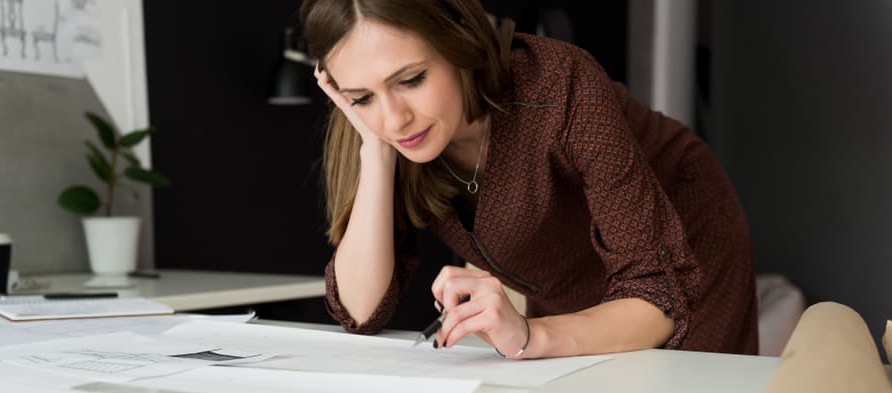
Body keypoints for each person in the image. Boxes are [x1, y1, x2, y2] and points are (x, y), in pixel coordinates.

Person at [300, 0, 759, 358]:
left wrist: (529, 335)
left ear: (459, 43)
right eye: (362, 97)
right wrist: (376, 153)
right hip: (562, 278)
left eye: (413, 79)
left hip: (682, 245)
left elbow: (658, 299)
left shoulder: (560, 86)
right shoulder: (381, 132)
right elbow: (361, 311)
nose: (395, 119)